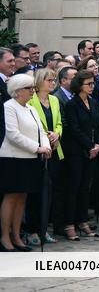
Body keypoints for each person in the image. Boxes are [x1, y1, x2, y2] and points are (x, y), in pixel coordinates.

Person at [1, 74, 52, 251]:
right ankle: (5, 237)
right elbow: (13, 134)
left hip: (30, 159)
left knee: (23, 198)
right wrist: (38, 148)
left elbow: (42, 131)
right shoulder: (9, 106)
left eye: (33, 88)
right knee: (12, 196)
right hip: (13, 159)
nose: (32, 91)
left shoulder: (30, 108)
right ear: (17, 91)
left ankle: (16, 235)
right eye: (29, 88)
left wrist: (46, 146)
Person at [61, 69, 99, 239]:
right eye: (89, 84)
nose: (92, 87)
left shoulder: (93, 102)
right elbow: (74, 129)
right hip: (76, 152)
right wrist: (90, 145)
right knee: (73, 188)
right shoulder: (72, 104)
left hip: (91, 152)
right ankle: (69, 224)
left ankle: (83, 221)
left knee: (86, 188)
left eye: (93, 83)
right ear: (79, 85)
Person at [26, 69, 64, 246]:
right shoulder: (30, 99)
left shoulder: (55, 99)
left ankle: (43, 230)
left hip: (54, 149)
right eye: (49, 80)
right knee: (35, 192)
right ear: (40, 81)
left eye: (54, 80)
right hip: (37, 150)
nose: (53, 83)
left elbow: (59, 122)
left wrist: (57, 133)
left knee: (49, 192)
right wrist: (44, 137)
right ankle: (32, 230)